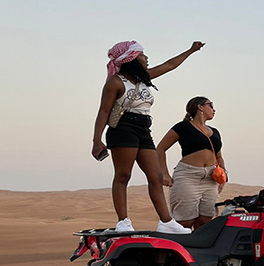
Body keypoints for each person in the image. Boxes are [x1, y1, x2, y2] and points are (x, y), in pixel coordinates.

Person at [91, 40, 205, 233]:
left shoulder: (144, 78)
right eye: (142, 55)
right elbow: (103, 111)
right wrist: (97, 140)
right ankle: (123, 222)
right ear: (131, 59)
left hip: (143, 128)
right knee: (123, 175)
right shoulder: (115, 83)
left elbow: (169, 65)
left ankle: (166, 222)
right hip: (123, 128)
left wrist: (191, 51)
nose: (146, 58)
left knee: (156, 175)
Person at [157, 97, 227, 230]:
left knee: (205, 220)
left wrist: (223, 175)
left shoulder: (215, 131)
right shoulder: (183, 127)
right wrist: (164, 174)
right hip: (188, 176)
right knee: (185, 222)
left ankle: (198, 250)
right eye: (210, 105)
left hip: (211, 178)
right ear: (200, 107)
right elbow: (160, 149)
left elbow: (219, 156)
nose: (214, 109)